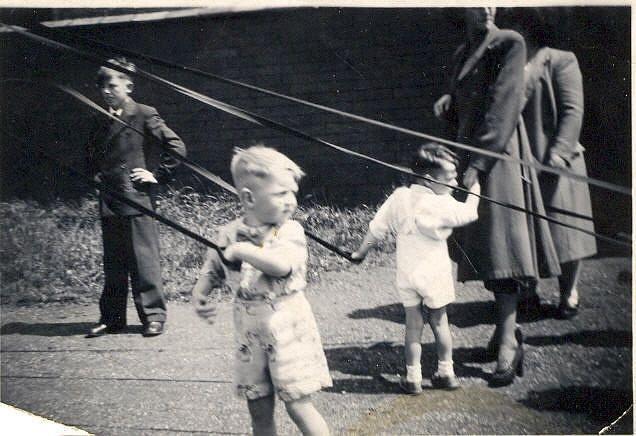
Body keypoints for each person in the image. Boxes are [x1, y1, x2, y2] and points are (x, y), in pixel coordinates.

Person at [433, 7, 561, 386]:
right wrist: (448, 103)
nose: (487, 7)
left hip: (497, 158)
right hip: (468, 155)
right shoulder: (461, 53)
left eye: (493, 0)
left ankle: (508, 341)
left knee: (502, 248)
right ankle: (503, 333)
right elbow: (467, 107)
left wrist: (479, 165)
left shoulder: (509, 42)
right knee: (488, 249)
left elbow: (503, 106)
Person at [192, 145, 331, 436]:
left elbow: (280, 266)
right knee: (258, 406)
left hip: (287, 326)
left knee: (298, 404)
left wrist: (242, 250)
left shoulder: (289, 231)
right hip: (248, 332)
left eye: (293, 192)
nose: (291, 201)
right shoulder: (227, 233)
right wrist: (200, 292)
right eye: (281, 194)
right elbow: (214, 266)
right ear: (248, 198)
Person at [351, 143, 481, 394]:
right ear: (430, 180)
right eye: (450, 178)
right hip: (435, 275)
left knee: (413, 326)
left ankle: (413, 378)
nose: (455, 182)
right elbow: (469, 213)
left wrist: (360, 253)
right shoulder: (442, 204)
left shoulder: (399, 196)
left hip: (408, 275)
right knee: (440, 322)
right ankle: (446, 373)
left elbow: (376, 228)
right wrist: (475, 188)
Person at [504, 8, 597, 319]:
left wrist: (559, 152)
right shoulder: (510, 63)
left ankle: (568, 292)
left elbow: (572, 110)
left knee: (565, 231)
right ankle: (528, 292)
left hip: (556, 159)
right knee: (526, 227)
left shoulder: (560, 59)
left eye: (518, 25)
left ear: (531, 28)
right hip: (521, 158)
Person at [86, 58, 186, 338]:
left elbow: (176, 146)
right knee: (114, 263)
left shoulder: (142, 113)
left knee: (144, 261)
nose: (106, 91)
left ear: (128, 85)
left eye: (112, 84)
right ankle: (112, 318)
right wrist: (94, 176)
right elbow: (90, 156)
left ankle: (153, 316)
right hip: (110, 199)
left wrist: (157, 175)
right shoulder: (98, 117)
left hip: (137, 198)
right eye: (101, 86)